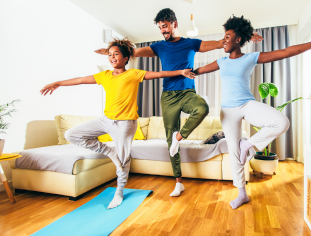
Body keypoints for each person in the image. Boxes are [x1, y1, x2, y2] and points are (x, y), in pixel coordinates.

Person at [94, 8, 263, 197]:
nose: (163, 30)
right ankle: (178, 182)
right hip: (168, 96)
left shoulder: (191, 43)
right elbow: (133, 52)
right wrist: (110, 52)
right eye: (160, 28)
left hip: (187, 92)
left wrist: (246, 34)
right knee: (169, 138)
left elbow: (220, 43)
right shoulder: (159, 46)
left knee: (202, 107)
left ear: (174, 23)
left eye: (164, 26)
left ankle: (179, 137)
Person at [193, 15, 311, 209]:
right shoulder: (221, 61)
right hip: (228, 110)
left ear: (238, 39)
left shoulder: (250, 58)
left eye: (227, 37)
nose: (223, 41)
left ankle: (248, 145)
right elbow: (196, 71)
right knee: (234, 152)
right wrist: (180, 71)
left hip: (247, 104)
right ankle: (242, 194)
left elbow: (286, 52)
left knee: (282, 122)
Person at [40, 37, 195, 209]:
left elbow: (158, 74)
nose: (112, 57)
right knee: (71, 134)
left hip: (126, 124)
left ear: (126, 58)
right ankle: (109, 152)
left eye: (116, 54)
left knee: (123, 159)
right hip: (106, 120)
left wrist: (180, 72)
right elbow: (81, 80)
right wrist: (57, 84)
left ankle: (119, 191)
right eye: (110, 55)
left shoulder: (133, 74)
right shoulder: (105, 76)